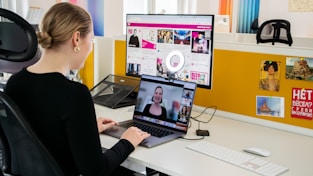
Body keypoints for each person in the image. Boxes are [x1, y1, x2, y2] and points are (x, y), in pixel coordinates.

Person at [4, 3, 150, 176]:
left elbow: (41, 135)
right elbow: (95, 171)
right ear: (77, 39)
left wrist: (85, 131)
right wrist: (127, 141)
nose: (91, 47)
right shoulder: (74, 94)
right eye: (92, 40)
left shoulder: (15, 82)